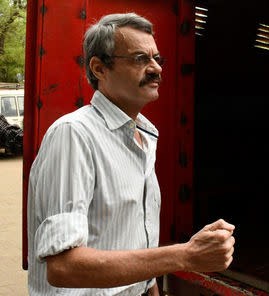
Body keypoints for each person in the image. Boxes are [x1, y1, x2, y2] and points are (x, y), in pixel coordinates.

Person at [27, 13, 235, 296]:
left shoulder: (143, 136)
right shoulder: (74, 135)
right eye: (140, 59)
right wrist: (185, 255)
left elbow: (138, 242)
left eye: (157, 59)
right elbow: (63, 266)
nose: (156, 69)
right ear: (99, 69)